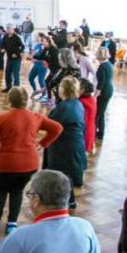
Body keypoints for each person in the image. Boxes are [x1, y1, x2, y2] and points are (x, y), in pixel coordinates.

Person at [0, 88, 63, 234]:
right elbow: (57, 128)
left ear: (10, 100)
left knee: (0, 191)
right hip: (29, 163)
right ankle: (12, 223)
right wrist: (43, 144)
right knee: (17, 192)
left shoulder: (2, 118)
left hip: (6, 163)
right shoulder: (35, 116)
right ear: (26, 100)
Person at [44, 78, 87, 209]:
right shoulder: (77, 103)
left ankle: (59, 203)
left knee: (61, 175)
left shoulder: (65, 107)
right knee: (66, 175)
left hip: (65, 147)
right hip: (73, 145)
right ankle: (70, 201)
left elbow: (50, 124)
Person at [94, 47, 114, 140]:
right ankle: (99, 131)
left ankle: (99, 132)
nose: (95, 54)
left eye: (97, 52)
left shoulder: (103, 66)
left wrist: (95, 96)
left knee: (99, 113)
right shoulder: (108, 64)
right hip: (108, 90)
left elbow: (101, 83)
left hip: (104, 91)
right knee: (100, 113)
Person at [2, 27, 26, 92]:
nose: (8, 30)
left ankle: (16, 90)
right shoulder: (5, 37)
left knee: (16, 74)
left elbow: (23, 47)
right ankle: (8, 87)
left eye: (10, 29)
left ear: (13, 30)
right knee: (7, 73)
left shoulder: (17, 37)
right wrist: (3, 49)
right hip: (9, 58)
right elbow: (3, 45)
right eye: (7, 29)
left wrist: (17, 54)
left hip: (17, 59)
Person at [79, 78, 98, 153]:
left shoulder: (82, 102)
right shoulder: (91, 99)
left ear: (82, 90)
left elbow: (82, 121)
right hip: (90, 131)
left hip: (84, 133)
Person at [28, 35, 50, 99]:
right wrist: (32, 57)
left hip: (42, 66)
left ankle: (44, 95)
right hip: (36, 66)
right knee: (30, 78)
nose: (36, 38)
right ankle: (35, 91)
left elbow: (44, 57)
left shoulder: (45, 47)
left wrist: (37, 59)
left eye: (38, 37)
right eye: (36, 37)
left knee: (41, 81)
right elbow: (33, 53)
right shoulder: (37, 46)